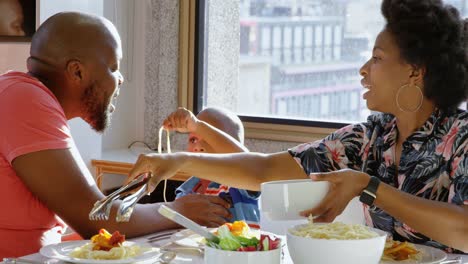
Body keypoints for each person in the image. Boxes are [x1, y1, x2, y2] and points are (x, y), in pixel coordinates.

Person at [129, 0, 468, 254]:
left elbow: (464, 230)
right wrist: (179, 160)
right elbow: (265, 168)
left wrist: (370, 187)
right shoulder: (369, 137)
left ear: (415, 70)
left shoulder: (461, 137)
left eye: (377, 58)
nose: (364, 70)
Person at [0, 12, 231, 258]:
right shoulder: (25, 99)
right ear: (77, 72)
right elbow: (96, 218)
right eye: (113, 68)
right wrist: (176, 210)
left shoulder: (22, 95)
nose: (120, 80)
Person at [165, 107, 260, 227]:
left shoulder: (239, 183)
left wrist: (197, 125)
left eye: (209, 139)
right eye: (193, 139)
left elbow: (249, 164)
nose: (198, 146)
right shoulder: (185, 192)